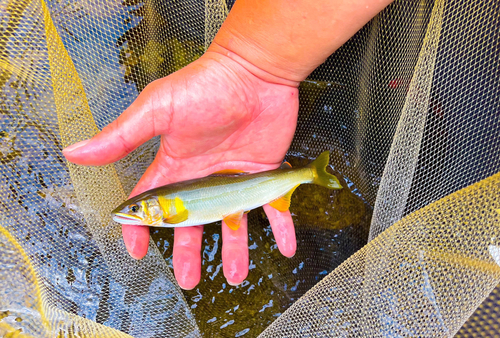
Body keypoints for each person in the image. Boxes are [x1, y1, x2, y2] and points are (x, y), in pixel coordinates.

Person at [62, 0, 393, 290]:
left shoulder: (167, 212)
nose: (132, 213)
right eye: (134, 209)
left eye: (135, 209)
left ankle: (308, 174)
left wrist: (249, 67)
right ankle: (307, 174)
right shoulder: (165, 211)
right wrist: (250, 67)